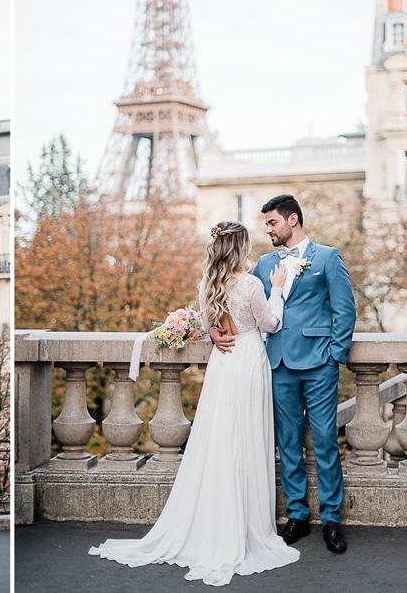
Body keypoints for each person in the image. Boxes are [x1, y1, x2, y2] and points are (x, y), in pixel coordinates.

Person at [90, 221, 300, 587]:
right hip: (249, 360)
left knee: (218, 440)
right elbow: (271, 325)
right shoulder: (251, 284)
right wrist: (279, 289)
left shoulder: (208, 285)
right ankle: (246, 526)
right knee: (247, 441)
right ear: (240, 248)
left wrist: (216, 332)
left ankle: (213, 522)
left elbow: (208, 327)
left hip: (222, 364)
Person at [212, 194, 356, 554]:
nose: (268, 230)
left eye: (273, 222)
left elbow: (345, 310)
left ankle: (333, 519)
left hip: (319, 364)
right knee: (287, 443)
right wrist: (213, 329)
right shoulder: (262, 264)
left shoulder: (327, 257)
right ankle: (297, 516)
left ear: (293, 220)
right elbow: (230, 300)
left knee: (324, 440)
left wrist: (333, 356)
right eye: (266, 224)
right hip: (275, 364)